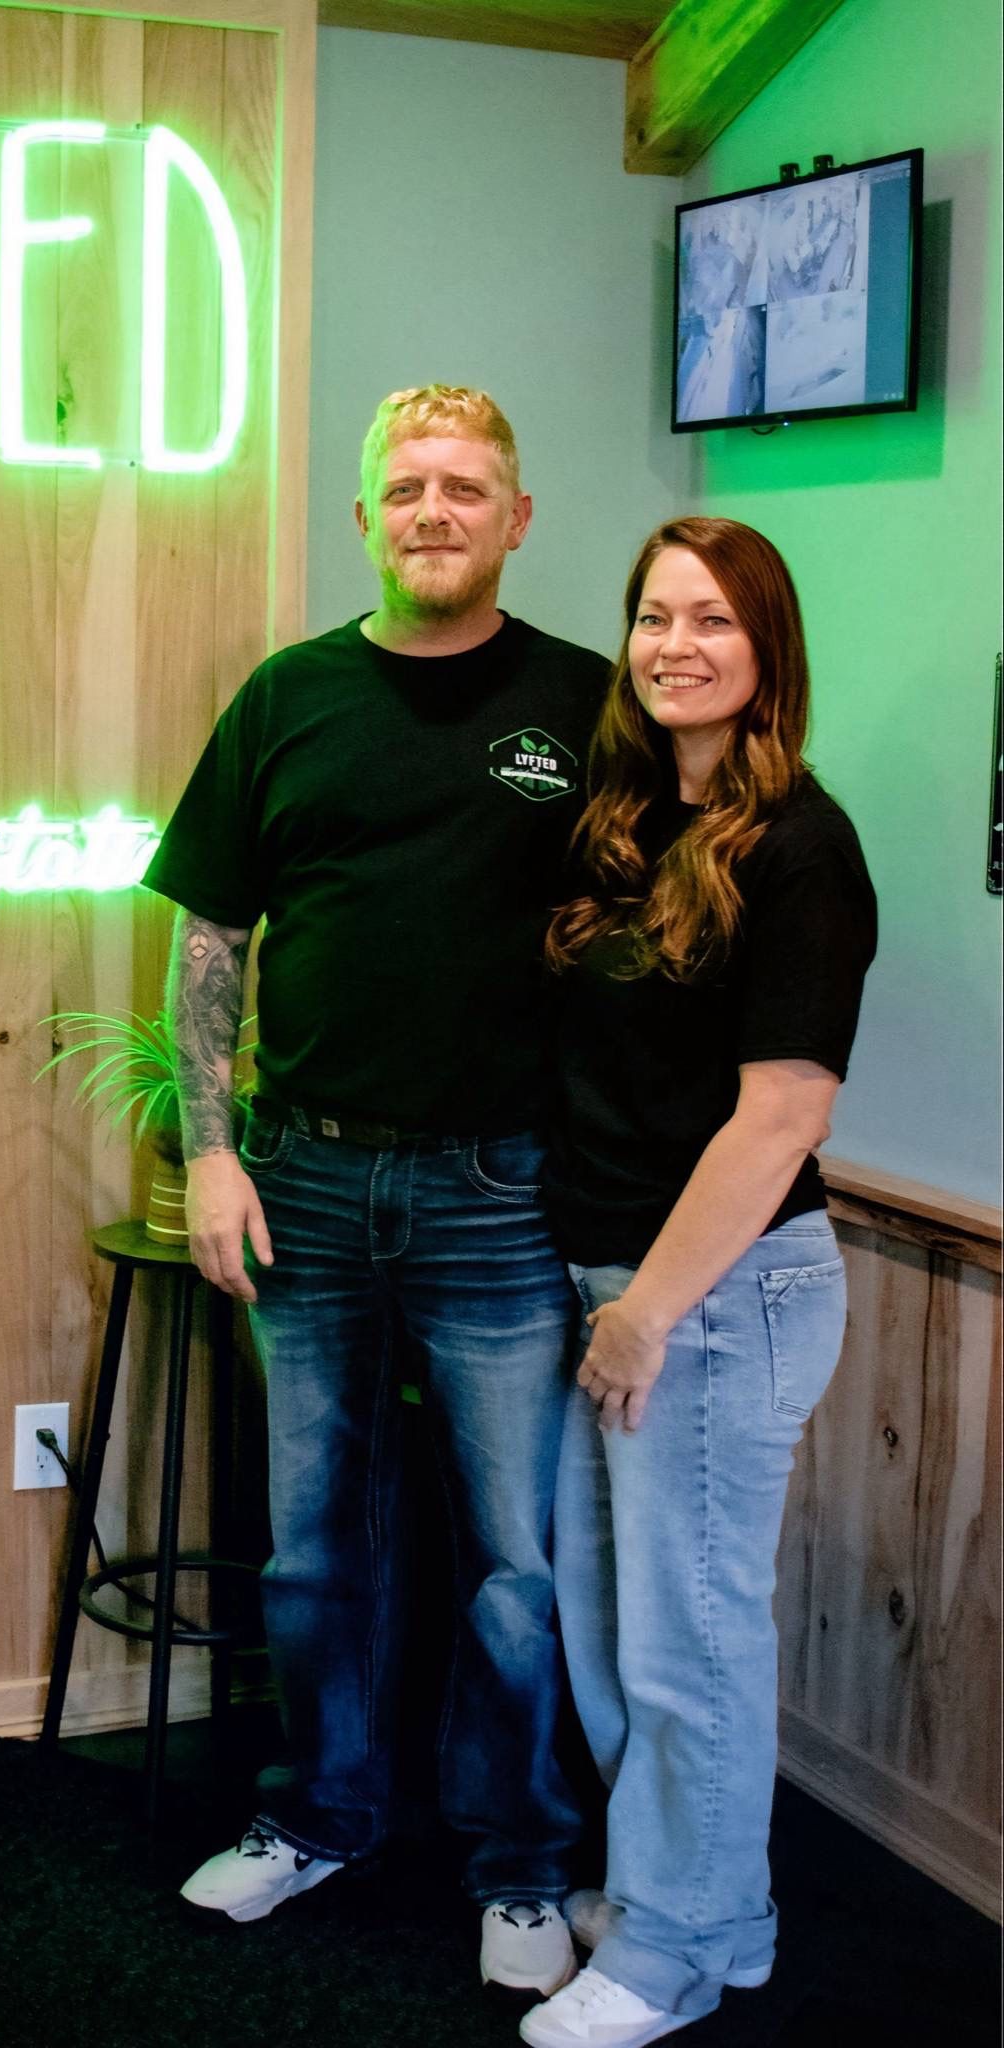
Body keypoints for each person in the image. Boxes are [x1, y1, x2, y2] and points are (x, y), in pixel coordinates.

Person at [140, 385, 607, 1995]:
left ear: (517, 517)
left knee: (512, 1564)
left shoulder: (587, 706)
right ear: (364, 520)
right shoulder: (287, 700)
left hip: (502, 1194)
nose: (433, 510)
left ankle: (526, 1869)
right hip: (308, 1181)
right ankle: (321, 1818)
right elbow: (211, 937)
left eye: (465, 487)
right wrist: (209, 1146)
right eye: (404, 487)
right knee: (315, 1544)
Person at [519, 518, 877, 2048]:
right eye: (655, 616)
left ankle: (671, 1944)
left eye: (713, 620)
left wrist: (650, 1308)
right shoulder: (624, 826)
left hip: (721, 1296)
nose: (677, 644)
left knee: (690, 1642)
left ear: (767, 647)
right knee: (614, 1632)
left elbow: (785, 1110)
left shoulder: (803, 842)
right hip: (619, 1280)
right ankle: (708, 1909)